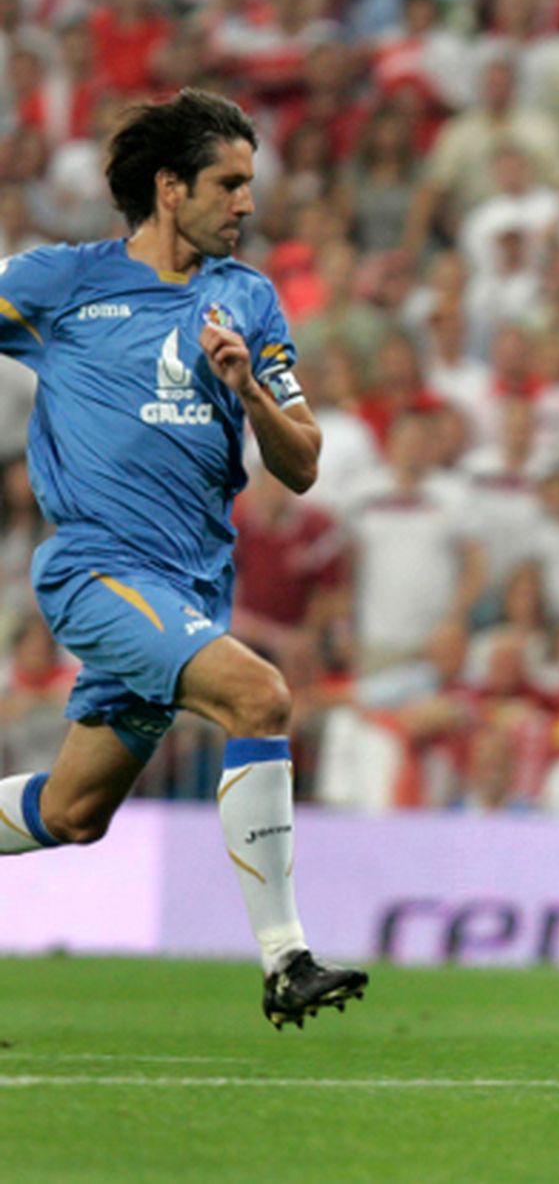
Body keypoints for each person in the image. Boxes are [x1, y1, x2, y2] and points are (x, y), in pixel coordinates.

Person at [0, 90, 366, 1027]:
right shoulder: (59, 284)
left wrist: (247, 389)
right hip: (97, 571)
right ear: (170, 190)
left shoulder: (248, 299)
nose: (246, 203)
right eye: (229, 184)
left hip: (193, 584)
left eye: (250, 184)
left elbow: (306, 461)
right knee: (261, 697)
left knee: (75, 813)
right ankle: (287, 958)